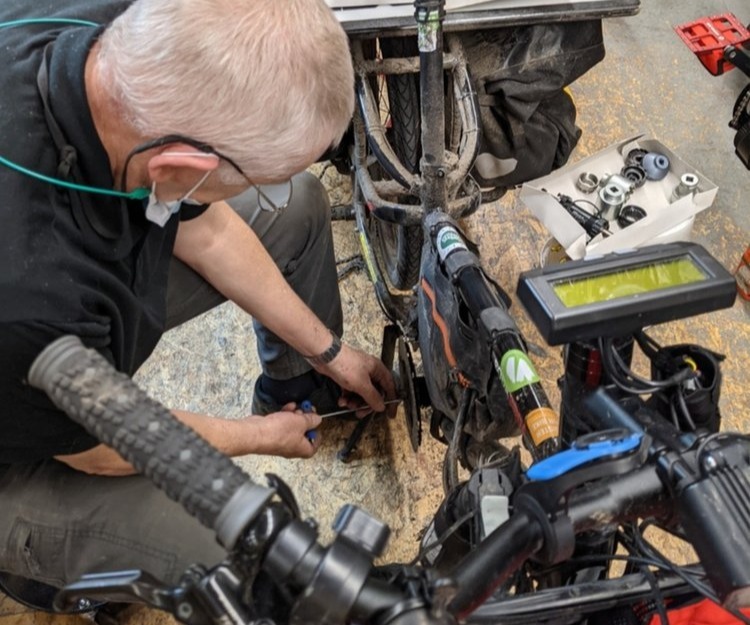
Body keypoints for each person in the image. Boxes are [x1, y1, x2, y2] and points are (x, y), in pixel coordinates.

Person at [0, 0, 395, 598]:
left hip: (53, 346)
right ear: (177, 166)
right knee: (237, 553)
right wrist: (257, 437)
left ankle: (300, 394)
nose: (254, 189)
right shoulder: (34, 296)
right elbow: (100, 447)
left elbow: (204, 227)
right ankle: (41, 575)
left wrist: (328, 352)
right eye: (248, 177)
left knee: (296, 207)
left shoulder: (119, 35)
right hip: (31, 442)